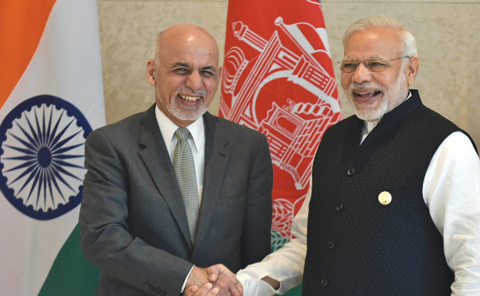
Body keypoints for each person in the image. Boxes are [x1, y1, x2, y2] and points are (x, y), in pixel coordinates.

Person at [188, 15, 480, 296]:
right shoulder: (333, 139)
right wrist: (245, 283)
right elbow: (308, 243)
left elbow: (473, 264)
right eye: (350, 64)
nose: (360, 76)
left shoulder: (447, 145)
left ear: (411, 69)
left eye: (376, 64)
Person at [79, 23, 273, 296]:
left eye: (206, 72)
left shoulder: (249, 147)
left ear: (218, 77)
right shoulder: (111, 144)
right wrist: (186, 277)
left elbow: (256, 254)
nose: (195, 83)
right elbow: (101, 237)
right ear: (152, 72)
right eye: (181, 69)